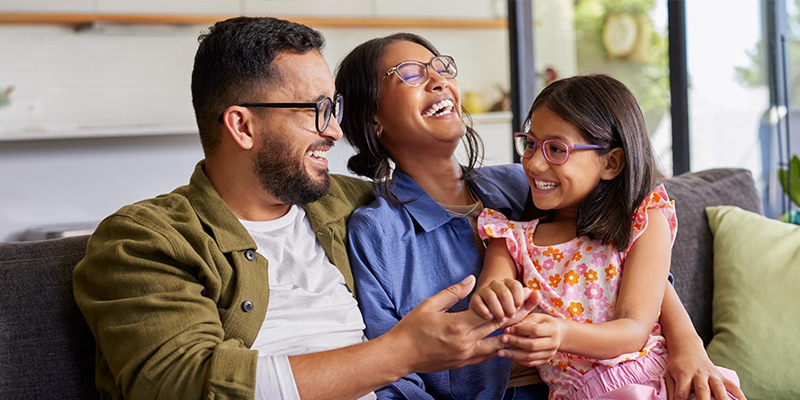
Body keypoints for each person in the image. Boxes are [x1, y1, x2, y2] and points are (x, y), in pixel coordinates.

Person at [73, 17, 531, 400]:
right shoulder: (142, 240)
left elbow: (495, 204)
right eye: (316, 110)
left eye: (333, 108)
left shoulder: (352, 204)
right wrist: (401, 353)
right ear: (243, 126)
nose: (334, 131)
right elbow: (184, 383)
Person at [337, 34, 747, 400]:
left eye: (441, 67)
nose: (439, 79)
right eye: (409, 73)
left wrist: (689, 345)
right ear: (371, 118)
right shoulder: (378, 230)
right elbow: (389, 372)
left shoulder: (525, 182)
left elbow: (626, 260)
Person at [470, 74, 742, 400]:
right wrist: (495, 297)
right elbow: (491, 288)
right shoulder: (511, 238)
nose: (534, 162)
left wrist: (562, 333)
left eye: (557, 149)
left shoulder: (642, 222)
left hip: (656, 379)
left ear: (611, 163)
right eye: (530, 143)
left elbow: (633, 329)